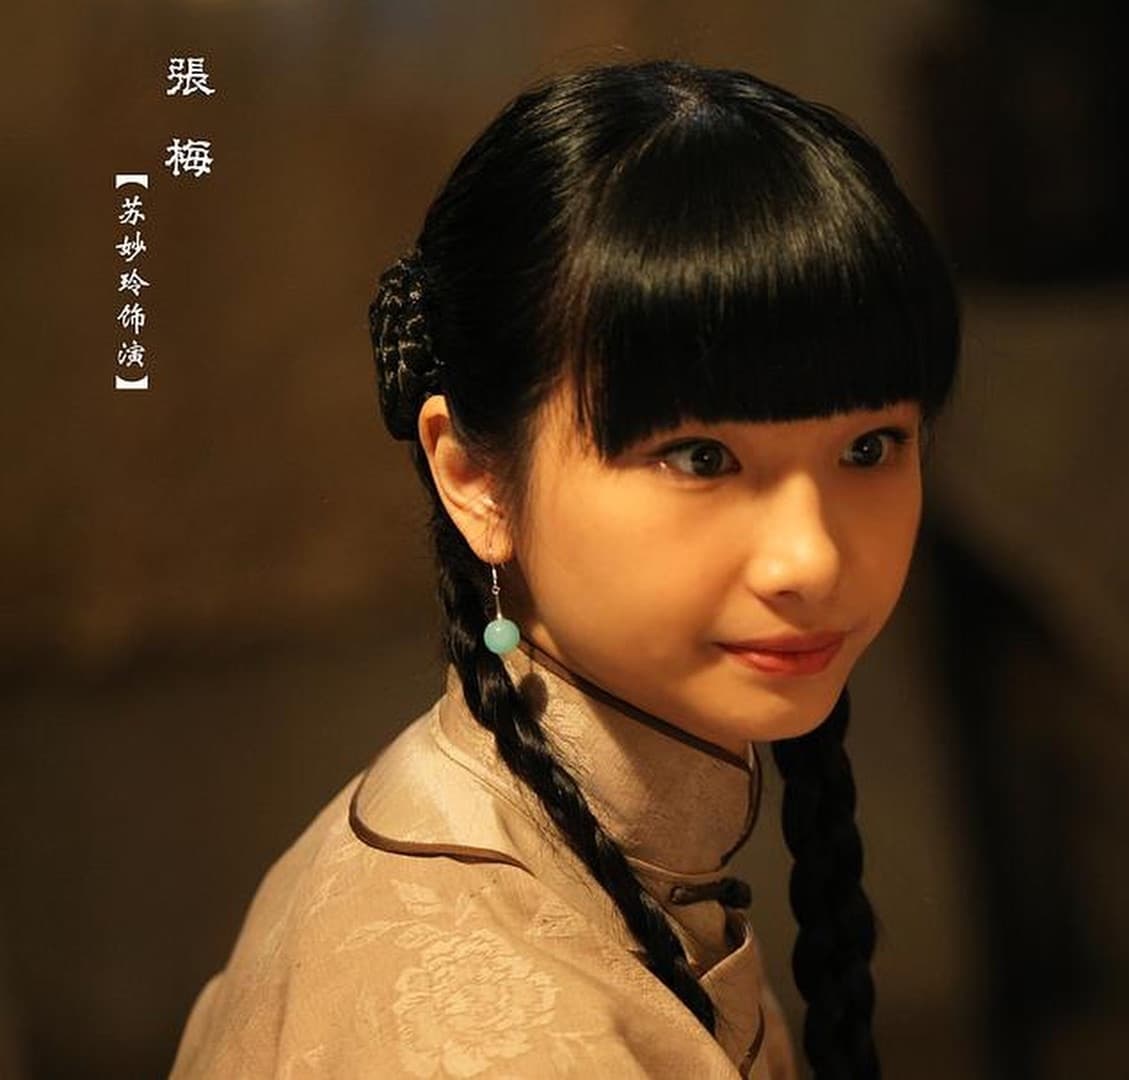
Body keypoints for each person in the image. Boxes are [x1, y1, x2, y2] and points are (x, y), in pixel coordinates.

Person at [168, 58, 959, 1079]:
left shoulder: (568, 840)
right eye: (701, 458)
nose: (811, 557)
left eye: (869, 447)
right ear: (475, 480)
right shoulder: (484, 1022)